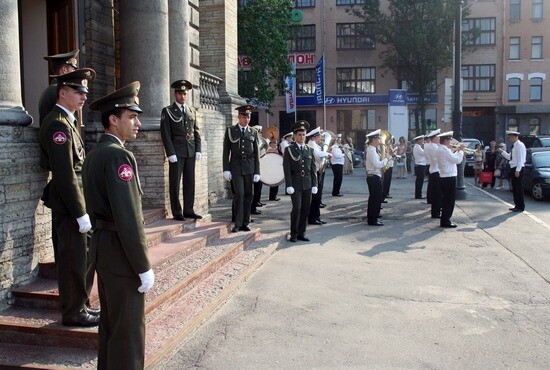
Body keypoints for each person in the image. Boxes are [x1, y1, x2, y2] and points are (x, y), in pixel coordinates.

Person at [83, 81, 154, 370]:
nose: (137, 123)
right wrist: (142, 265)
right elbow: (128, 217)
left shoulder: (96, 153)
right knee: (128, 331)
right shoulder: (117, 155)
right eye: (132, 117)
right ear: (113, 120)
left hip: (104, 245)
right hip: (120, 250)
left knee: (112, 326)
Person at [38, 68, 98, 327]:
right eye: (78, 91)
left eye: (84, 91)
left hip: (75, 200)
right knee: (73, 258)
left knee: (82, 256)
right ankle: (73, 312)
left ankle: (81, 304)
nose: (83, 96)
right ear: (62, 93)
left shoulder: (69, 121)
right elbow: (64, 175)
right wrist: (79, 212)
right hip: (68, 204)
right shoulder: (57, 125)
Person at [160, 79, 202, 221]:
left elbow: (197, 131)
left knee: (190, 181)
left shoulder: (191, 111)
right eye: (179, 93)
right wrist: (170, 153)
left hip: (190, 151)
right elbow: (165, 134)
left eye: (184, 93)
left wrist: (198, 149)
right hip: (177, 152)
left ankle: (189, 209)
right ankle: (177, 211)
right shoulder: (168, 111)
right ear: (174, 94)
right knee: (175, 183)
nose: (182, 96)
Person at [223, 105, 260, 232]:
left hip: (249, 167)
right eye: (244, 116)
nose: (247, 119)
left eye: (248, 116)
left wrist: (257, 171)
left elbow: (257, 154)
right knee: (239, 194)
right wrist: (226, 169)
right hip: (236, 167)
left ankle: (246, 222)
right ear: (239, 116)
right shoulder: (230, 130)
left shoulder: (253, 132)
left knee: (249, 195)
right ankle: (238, 223)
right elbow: (226, 151)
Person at [283, 121, 318, 242]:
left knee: (305, 209)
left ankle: (301, 233)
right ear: (294, 136)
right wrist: (288, 184)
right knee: (297, 208)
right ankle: (293, 234)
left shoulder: (310, 149)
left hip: (307, 183)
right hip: (295, 184)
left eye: (303, 134)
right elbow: (286, 169)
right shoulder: (289, 150)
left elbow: (313, 168)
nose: (301, 137)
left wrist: (315, 184)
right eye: (299, 135)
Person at [39, 49, 79, 126]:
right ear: (64, 70)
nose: (75, 73)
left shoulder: (52, 89)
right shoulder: (57, 90)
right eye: (73, 69)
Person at [436, 131, 465, 228]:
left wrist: (456, 151)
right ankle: (446, 220)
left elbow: (452, 158)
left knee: (446, 200)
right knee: (449, 200)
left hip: (444, 176)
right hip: (449, 177)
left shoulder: (441, 149)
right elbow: (457, 160)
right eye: (449, 140)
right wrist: (461, 150)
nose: (451, 142)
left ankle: (445, 220)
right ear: (446, 140)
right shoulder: (444, 150)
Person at [307, 127, 331, 225]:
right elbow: (317, 154)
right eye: (318, 136)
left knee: (318, 196)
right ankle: (313, 218)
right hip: (314, 172)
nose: (320, 138)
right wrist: (327, 154)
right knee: (315, 197)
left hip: (318, 171)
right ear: (314, 137)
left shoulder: (314, 144)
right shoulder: (311, 144)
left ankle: (316, 217)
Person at [365, 129, 388, 226]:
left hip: (375, 176)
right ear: (374, 139)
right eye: (378, 139)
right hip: (373, 177)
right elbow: (377, 164)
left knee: (375, 198)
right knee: (375, 199)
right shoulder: (371, 150)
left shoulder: (373, 150)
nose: (379, 141)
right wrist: (387, 159)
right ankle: (372, 219)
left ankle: (374, 216)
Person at [499, 130, 526, 212]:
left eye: (510, 137)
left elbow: (521, 159)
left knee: (518, 188)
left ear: (514, 136)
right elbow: (509, 157)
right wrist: (502, 152)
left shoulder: (520, 145)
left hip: (518, 168)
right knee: (515, 188)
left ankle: (520, 206)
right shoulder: (514, 146)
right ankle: (517, 205)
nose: (509, 139)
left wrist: (518, 170)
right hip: (513, 167)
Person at [425, 129, 442, 219]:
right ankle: (436, 212)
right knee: (437, 194)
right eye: (438, 137)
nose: (439, 138)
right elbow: (439, 160)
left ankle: (436, 211)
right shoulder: (434, 147)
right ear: (435, 138)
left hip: (434, 170)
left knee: (436, 193)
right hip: (436, 171)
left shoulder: (434, 146)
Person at [251, 125, 267, 215]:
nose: (260, 133)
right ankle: (252, 207)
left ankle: (256, 202)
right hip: (253, 167)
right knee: (254, 189)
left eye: (260, 132)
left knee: (259, 187)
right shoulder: (254, 142)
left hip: (259, 166)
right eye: (258, 132)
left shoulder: (259, 141)